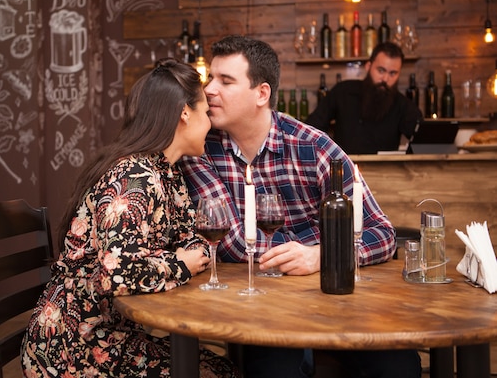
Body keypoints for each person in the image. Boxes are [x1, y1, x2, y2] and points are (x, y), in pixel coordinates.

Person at [180, 35, 421, 378]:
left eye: (225, 81)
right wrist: (297, 255)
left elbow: (382, 233)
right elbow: (231, 240)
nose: (209, 89)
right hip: (259, 307)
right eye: (210, 78)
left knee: (399, 367)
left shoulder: (313, 147)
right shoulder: (202, 148)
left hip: (333, 298)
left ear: (262, 94)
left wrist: (321, 256)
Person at [21, 58, 240, 378]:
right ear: (184, 113)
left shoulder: (166, 173)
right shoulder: (134, 177)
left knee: (221, 368)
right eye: (205, 113)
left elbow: (194, 239)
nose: (210, 123)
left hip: (110, 333)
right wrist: (179, 264)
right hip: (72, 345)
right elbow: (117, 274)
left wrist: (184, 256)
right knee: (218, 374)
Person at [306, 42, 423, 154]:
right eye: (381, 70)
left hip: (386, 172)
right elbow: (311, 129)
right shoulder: (343, 91)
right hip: (344, 170)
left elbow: (424, 143)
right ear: (368, 66)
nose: (386, 79)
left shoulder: (403, 105)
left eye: (392, 73)